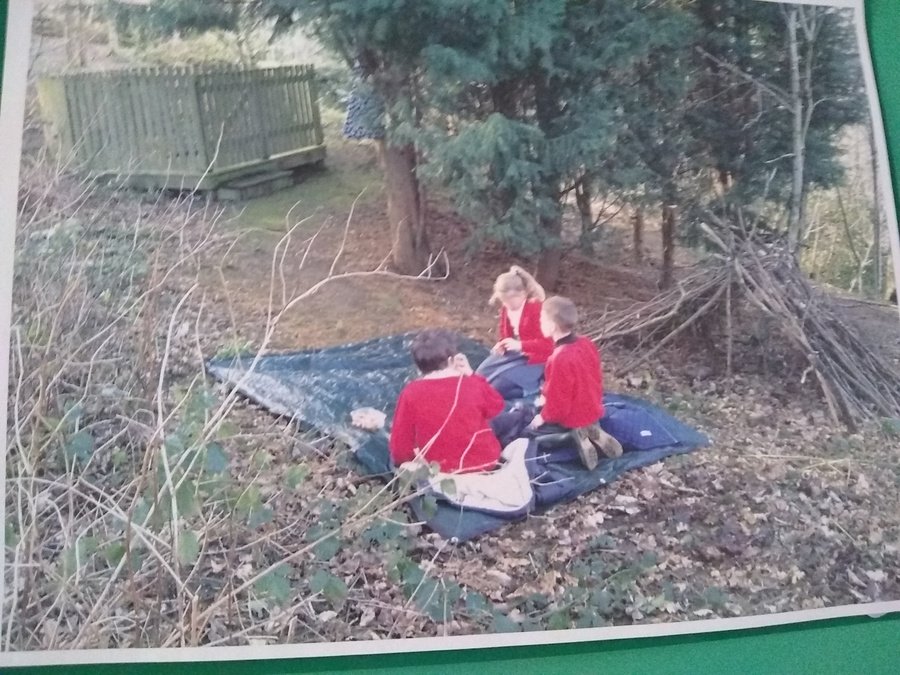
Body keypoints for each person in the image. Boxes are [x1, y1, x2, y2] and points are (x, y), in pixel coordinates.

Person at [390, 328, 505, 474]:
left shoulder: (410, 393)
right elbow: (496, 406)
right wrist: (471, 374)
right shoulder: (471, 384)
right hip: (484, 463)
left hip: (440, 470)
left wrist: (404, 461)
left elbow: (400, 445)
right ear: (451, 360)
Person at [529, 296, 623, 469]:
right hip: (594, 406)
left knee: (534, 432)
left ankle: (577, 434)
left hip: (571, 416)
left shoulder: (558, 358)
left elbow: (559, 404)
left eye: (542, 319)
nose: (539, 322)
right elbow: (595, 376)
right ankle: (590, 427)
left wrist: (542, 417)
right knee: (578, 407)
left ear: (553, 325)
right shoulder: (586, 343)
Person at [475, 266, 555, 399]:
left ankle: (536, 388)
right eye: (504, 300)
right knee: (481, 375)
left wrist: (520, 345)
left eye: (511, 300)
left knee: (498, 388)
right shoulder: (507, 308)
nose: (508, 304)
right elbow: (505, 331)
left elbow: (549, 345)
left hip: (538, 358)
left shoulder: (535, 309)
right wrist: (502, 344)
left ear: (523, 293)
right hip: (517, 353)